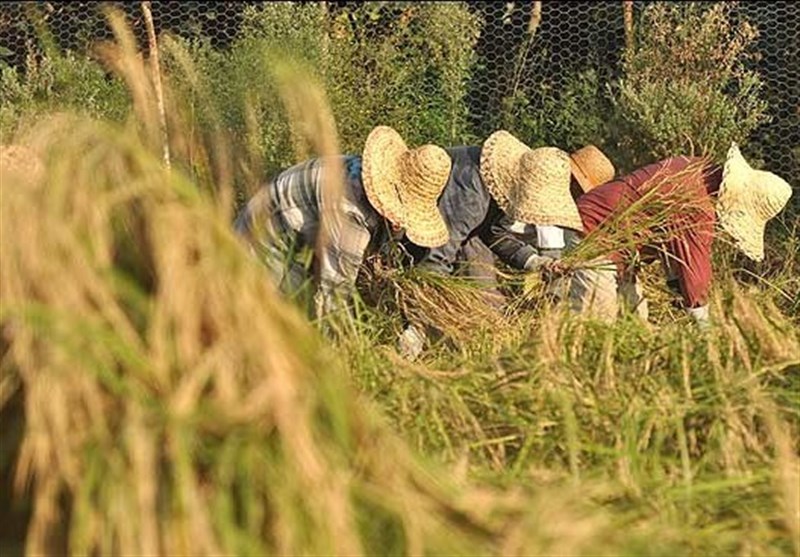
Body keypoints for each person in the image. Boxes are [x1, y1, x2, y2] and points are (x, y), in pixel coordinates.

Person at [397, 130, 615, 357]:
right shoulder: (471, 191)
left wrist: (536, 262)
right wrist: (418, 323)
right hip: (411, 233)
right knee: (461, 314)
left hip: (468, 239)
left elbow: (496, 233)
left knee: (490, 310)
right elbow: (437, 255)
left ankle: (466, 351)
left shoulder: (506, 192)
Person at [562, 143, 793, 327]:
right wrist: (707, 329)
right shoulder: (697, 205)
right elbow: (694, 271)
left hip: (618, 248)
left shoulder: (698, 169)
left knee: (635, 321)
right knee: (595, 325)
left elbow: (670, 241)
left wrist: (675, 282)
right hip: (593, 235)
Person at [234, 125, 451, 320]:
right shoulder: (350, 210)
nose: (400, 223)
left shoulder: (361, 172)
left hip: (295, 237)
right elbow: (333, 296)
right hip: (263, 243)